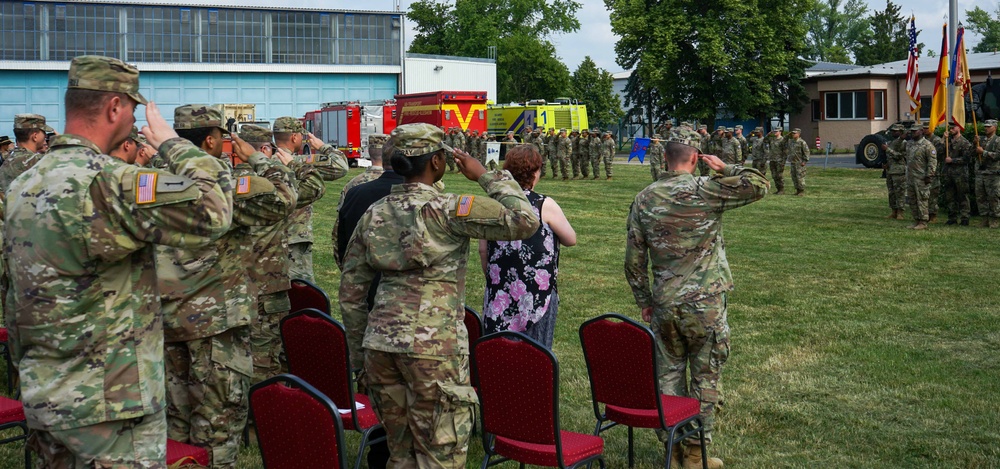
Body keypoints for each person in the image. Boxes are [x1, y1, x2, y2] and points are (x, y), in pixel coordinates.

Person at [5, 55, 233, 467]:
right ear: (115, 107)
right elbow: (213, 208)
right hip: (111, 406)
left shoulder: (25, 182)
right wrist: (172, 142)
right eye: (132, 109)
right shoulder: (109, 181)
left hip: (45, 394)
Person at [340, 123, 539, 468]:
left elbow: (351, 292)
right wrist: (486, 176)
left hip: (380, 347)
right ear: (436, 162)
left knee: (400, 454)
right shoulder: (449, 209)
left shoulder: (376, 212)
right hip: (433, 349)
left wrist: (360, 359)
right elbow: (524, 220)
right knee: (440, 457)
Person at [161, 104, 296, 468]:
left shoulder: (153, 179)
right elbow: (284, 197)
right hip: (215, 322)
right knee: (217, 424)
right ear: (210, 140)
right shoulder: (222, 183)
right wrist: (257, 159)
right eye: (221, 137)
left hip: (167, 320)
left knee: (175, 423)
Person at [625, 136, 768, 469]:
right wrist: (725, 167)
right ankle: (694, 453)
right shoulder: (706, 188)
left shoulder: (645, 198)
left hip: (665, 302)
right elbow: (759, 184)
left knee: (668, 376)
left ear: (666, 159)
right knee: (705, 377)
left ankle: (673, 448)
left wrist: (644, 299)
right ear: (695, 159)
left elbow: (634, 260)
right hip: (704, 303)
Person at [478, 144, 576, 348]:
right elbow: (570, 239)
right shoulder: (543, 204)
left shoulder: (493, 204)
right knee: (535, 356)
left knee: (498, 354)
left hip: (499, 291)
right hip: (537, 295)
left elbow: (482, 250)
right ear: (535, 172)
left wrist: (493, 277)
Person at [274, 115, 348, 283]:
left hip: (267, 239)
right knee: (301, 292)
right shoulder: (299, 162)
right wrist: (323, 147)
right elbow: (341, 167)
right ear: (294, 137)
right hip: (294, 239)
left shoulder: (263, 162)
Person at [0, 113, 53, 195]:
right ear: (34, 136)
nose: (45, 136)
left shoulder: (7, 161)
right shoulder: (38, 161)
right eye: (43, 132)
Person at [905, 123, 937, 230]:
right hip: (911, 177)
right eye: (912, 131)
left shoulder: (927, 145)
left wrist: (929, 175)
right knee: (912, 199)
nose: (913, 133)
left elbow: (932, 162)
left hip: (921, 178)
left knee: (922, 199)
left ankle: (923, 221)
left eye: (915, 131)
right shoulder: (909, 144)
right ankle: (916, 219)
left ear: (921, 131)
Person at [942, 123, 974, 225]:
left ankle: (965, 218)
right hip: (948, 173)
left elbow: (967, 159)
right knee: (949, 196)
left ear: (959, 128)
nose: (951, 129)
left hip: (960, 174)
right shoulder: (948, 141)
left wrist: (953, 160)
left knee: (962, 196)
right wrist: (943, 139)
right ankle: (952, 217)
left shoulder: (964, 142)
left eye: (953, 127)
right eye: (950, 128)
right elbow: (938, 152)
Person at [975, 119, 1000, 228]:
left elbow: (997, 156)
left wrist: (983, 152)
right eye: (985, 126)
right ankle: (984, 219)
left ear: (995, 127)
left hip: (993, 173)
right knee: (981, 196)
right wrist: (974, 143)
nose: (986, 128)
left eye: (989, 126)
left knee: (993, 197)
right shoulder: (981, 140)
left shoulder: (998, 140)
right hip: (981, 172)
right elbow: (972, 153)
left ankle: (995, 219)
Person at [881, 124, 908, 219]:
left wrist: (887, 149)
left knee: (899, 192)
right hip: (890, 170)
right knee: (891, 192)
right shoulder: (891, 142)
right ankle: (894, 211)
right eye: (892, 131)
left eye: (895, 131)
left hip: (899, 171)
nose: (893, 132)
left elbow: (900, 156)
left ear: (901, 132)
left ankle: (900, 212)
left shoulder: (903, 143)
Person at [784, 128, 809, 196]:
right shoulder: (791, 141)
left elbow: (806, 152)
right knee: (794, 176)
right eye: (792, 133)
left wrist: (804, 161)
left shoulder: (802, 142)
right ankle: (797, 190)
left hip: (799, 162)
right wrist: (787, 135)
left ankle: (801, 190)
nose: (793, 134)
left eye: (794, 133)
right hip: (793, 162)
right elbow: (783, 141)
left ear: (798, 134)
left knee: (800, 177)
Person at [766, 128, 785, 194]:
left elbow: (785, 151)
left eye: (776, 131)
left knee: (779, 175)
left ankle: (781, 189)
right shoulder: (772, 139)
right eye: (774, 131)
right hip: (772, 159)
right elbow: (764, 141)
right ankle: (778, 189)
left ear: (780, 132)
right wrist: (768, 135)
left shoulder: (782, 140)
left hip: (779, 160)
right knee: (774, 175)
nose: (775, 132)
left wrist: (783, 161)